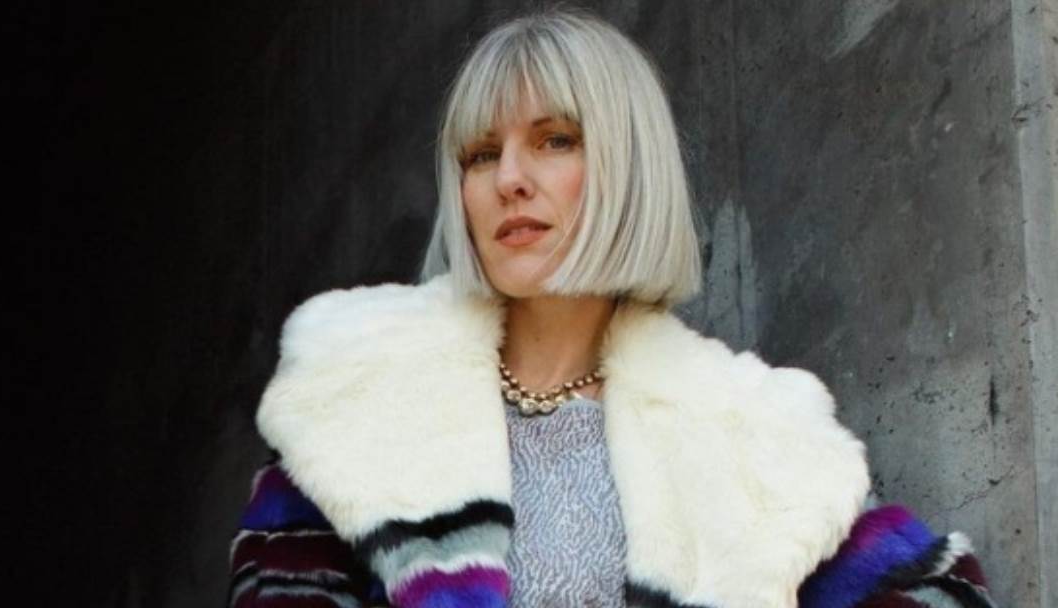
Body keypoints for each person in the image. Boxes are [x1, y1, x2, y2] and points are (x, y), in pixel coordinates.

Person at [227, 8, 995, 608]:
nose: (510, 179)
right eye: (482, 154)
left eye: (555, 140)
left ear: (629, 168)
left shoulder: (747, 437)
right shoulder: (360, 401)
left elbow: (941, 592)